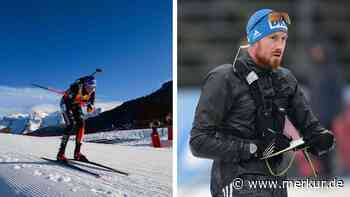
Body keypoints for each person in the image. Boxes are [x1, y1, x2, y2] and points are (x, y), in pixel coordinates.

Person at [189, 9, 335, 197]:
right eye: (273, 38)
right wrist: (254, 148)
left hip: (276, 184)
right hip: (236, 183)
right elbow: (198, 142)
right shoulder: (224, 78)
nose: (280, 45)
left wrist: (322, 139)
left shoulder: (286, 79)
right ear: (255, 39)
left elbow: (311, 128)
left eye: (283, 38)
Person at [56, 75, 96, 162]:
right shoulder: (75, 88)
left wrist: (90, 105)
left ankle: (77, 153)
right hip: (66, 104)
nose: (91, 90)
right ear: (85, 85)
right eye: (89, 87)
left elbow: (91, 100)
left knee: (81, 124)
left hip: (76, 105)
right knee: (70, 124)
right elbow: (69, 100)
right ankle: (60, 154)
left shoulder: (92, 90)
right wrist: (81, 101)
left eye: (93, 87)